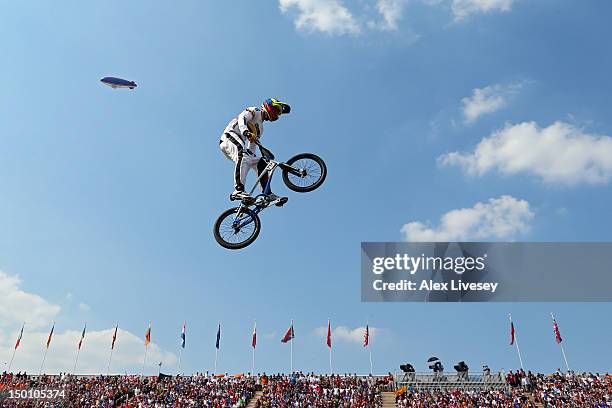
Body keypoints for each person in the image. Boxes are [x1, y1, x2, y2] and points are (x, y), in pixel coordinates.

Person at [219, 98, 291, 204]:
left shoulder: (260, 129)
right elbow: (241, 119)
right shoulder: (255, 110)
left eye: (278, 113)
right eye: (276, 110)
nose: (277, 114)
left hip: (240, 144)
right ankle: (238, 190)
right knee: (242, 153)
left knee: (261, 163)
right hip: (229, 136)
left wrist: (255, 157)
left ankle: (267, 194)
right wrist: (246, 132)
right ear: (269, 106)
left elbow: (252, 148)